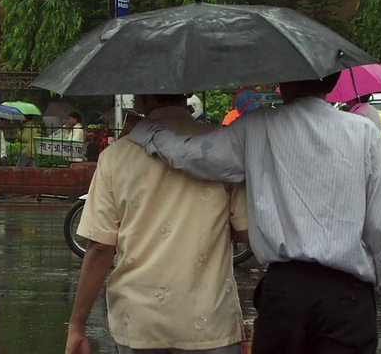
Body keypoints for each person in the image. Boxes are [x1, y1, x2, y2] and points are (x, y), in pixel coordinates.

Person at [128, 74, 381, 352]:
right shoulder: (363, 133)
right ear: (332, 82)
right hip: (347, 300)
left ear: (286, 82)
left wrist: (144, 131)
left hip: (285, 296)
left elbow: (190, 155)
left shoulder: (258, 127)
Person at [65, 94, 248, 354]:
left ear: (142, 97)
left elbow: (99, 249)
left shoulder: (116, 157)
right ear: (187, 94)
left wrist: (77, 325)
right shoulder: (222, 149)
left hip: (138, 323)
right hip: (210, 323)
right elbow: (249, 231)